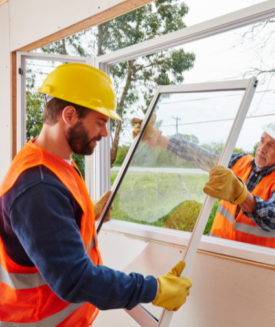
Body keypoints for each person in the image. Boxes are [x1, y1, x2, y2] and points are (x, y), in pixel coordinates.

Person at [0, 63, 192, 326]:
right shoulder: (38, 187)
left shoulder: (54, 160)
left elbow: (50, 229)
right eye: (100, 122)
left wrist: (87, 212)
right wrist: (154, 289)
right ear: (69, 115)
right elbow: (76, 280)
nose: (104, 133)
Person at [132, 115, 275, 250]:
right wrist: (156, 138)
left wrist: (240, 195)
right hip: (217, 251)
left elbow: (274, 217)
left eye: (271, 145)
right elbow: (199, 154)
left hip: (254, 266)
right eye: (262, 140)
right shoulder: (238, 161)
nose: (262, 148)